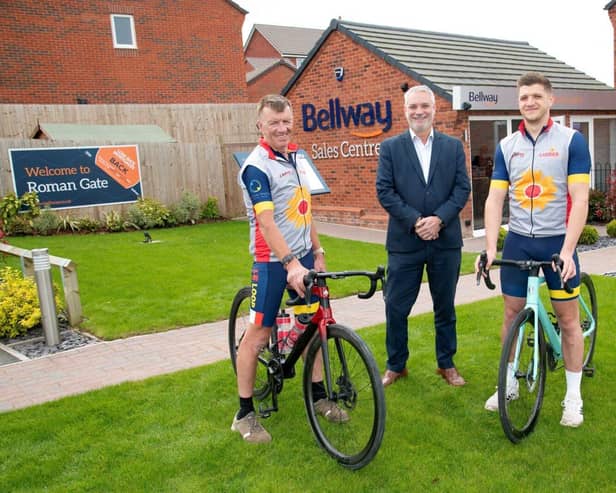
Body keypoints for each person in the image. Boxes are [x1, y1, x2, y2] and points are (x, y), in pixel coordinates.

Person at [232, 94, 347, 443]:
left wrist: (318, 250)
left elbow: (304, 208)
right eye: (274, 123)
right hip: (272, 261)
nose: (281, 128)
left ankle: (318, 396)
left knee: (314, 326)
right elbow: (266, 223)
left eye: (286, 122)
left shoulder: (297, 157)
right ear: (260, 126)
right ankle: (245, 413)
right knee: (259, 333)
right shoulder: (256, 166)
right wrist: (291, 263)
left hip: (303, 257)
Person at [479, 72, 591, 427]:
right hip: (519, 240)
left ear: (550, 100)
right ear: (519, 101)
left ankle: (573, 397)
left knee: (569, 321)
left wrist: (568, 250)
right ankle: (510, 381)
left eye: (536, 96)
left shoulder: (572, 141)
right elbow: (496, 197)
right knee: (511, 316)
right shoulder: (507, 145)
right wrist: (491, 247)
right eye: (524, 97)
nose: (529, 102)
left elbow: (580, 197)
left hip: (556, 242)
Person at [376, 84, 471, 388]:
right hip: (405, 243)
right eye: (413, 107)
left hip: (445, 243)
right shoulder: (391, 148)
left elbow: (462, 189)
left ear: (434, 109)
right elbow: (385, 191)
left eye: (424, 106)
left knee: (445, 307)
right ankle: (396, 365)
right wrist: (416, 221)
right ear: (405, 111)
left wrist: (440, 220)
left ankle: (446, 364)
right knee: (395, 307)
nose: (419, 112)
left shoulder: (453, 146)